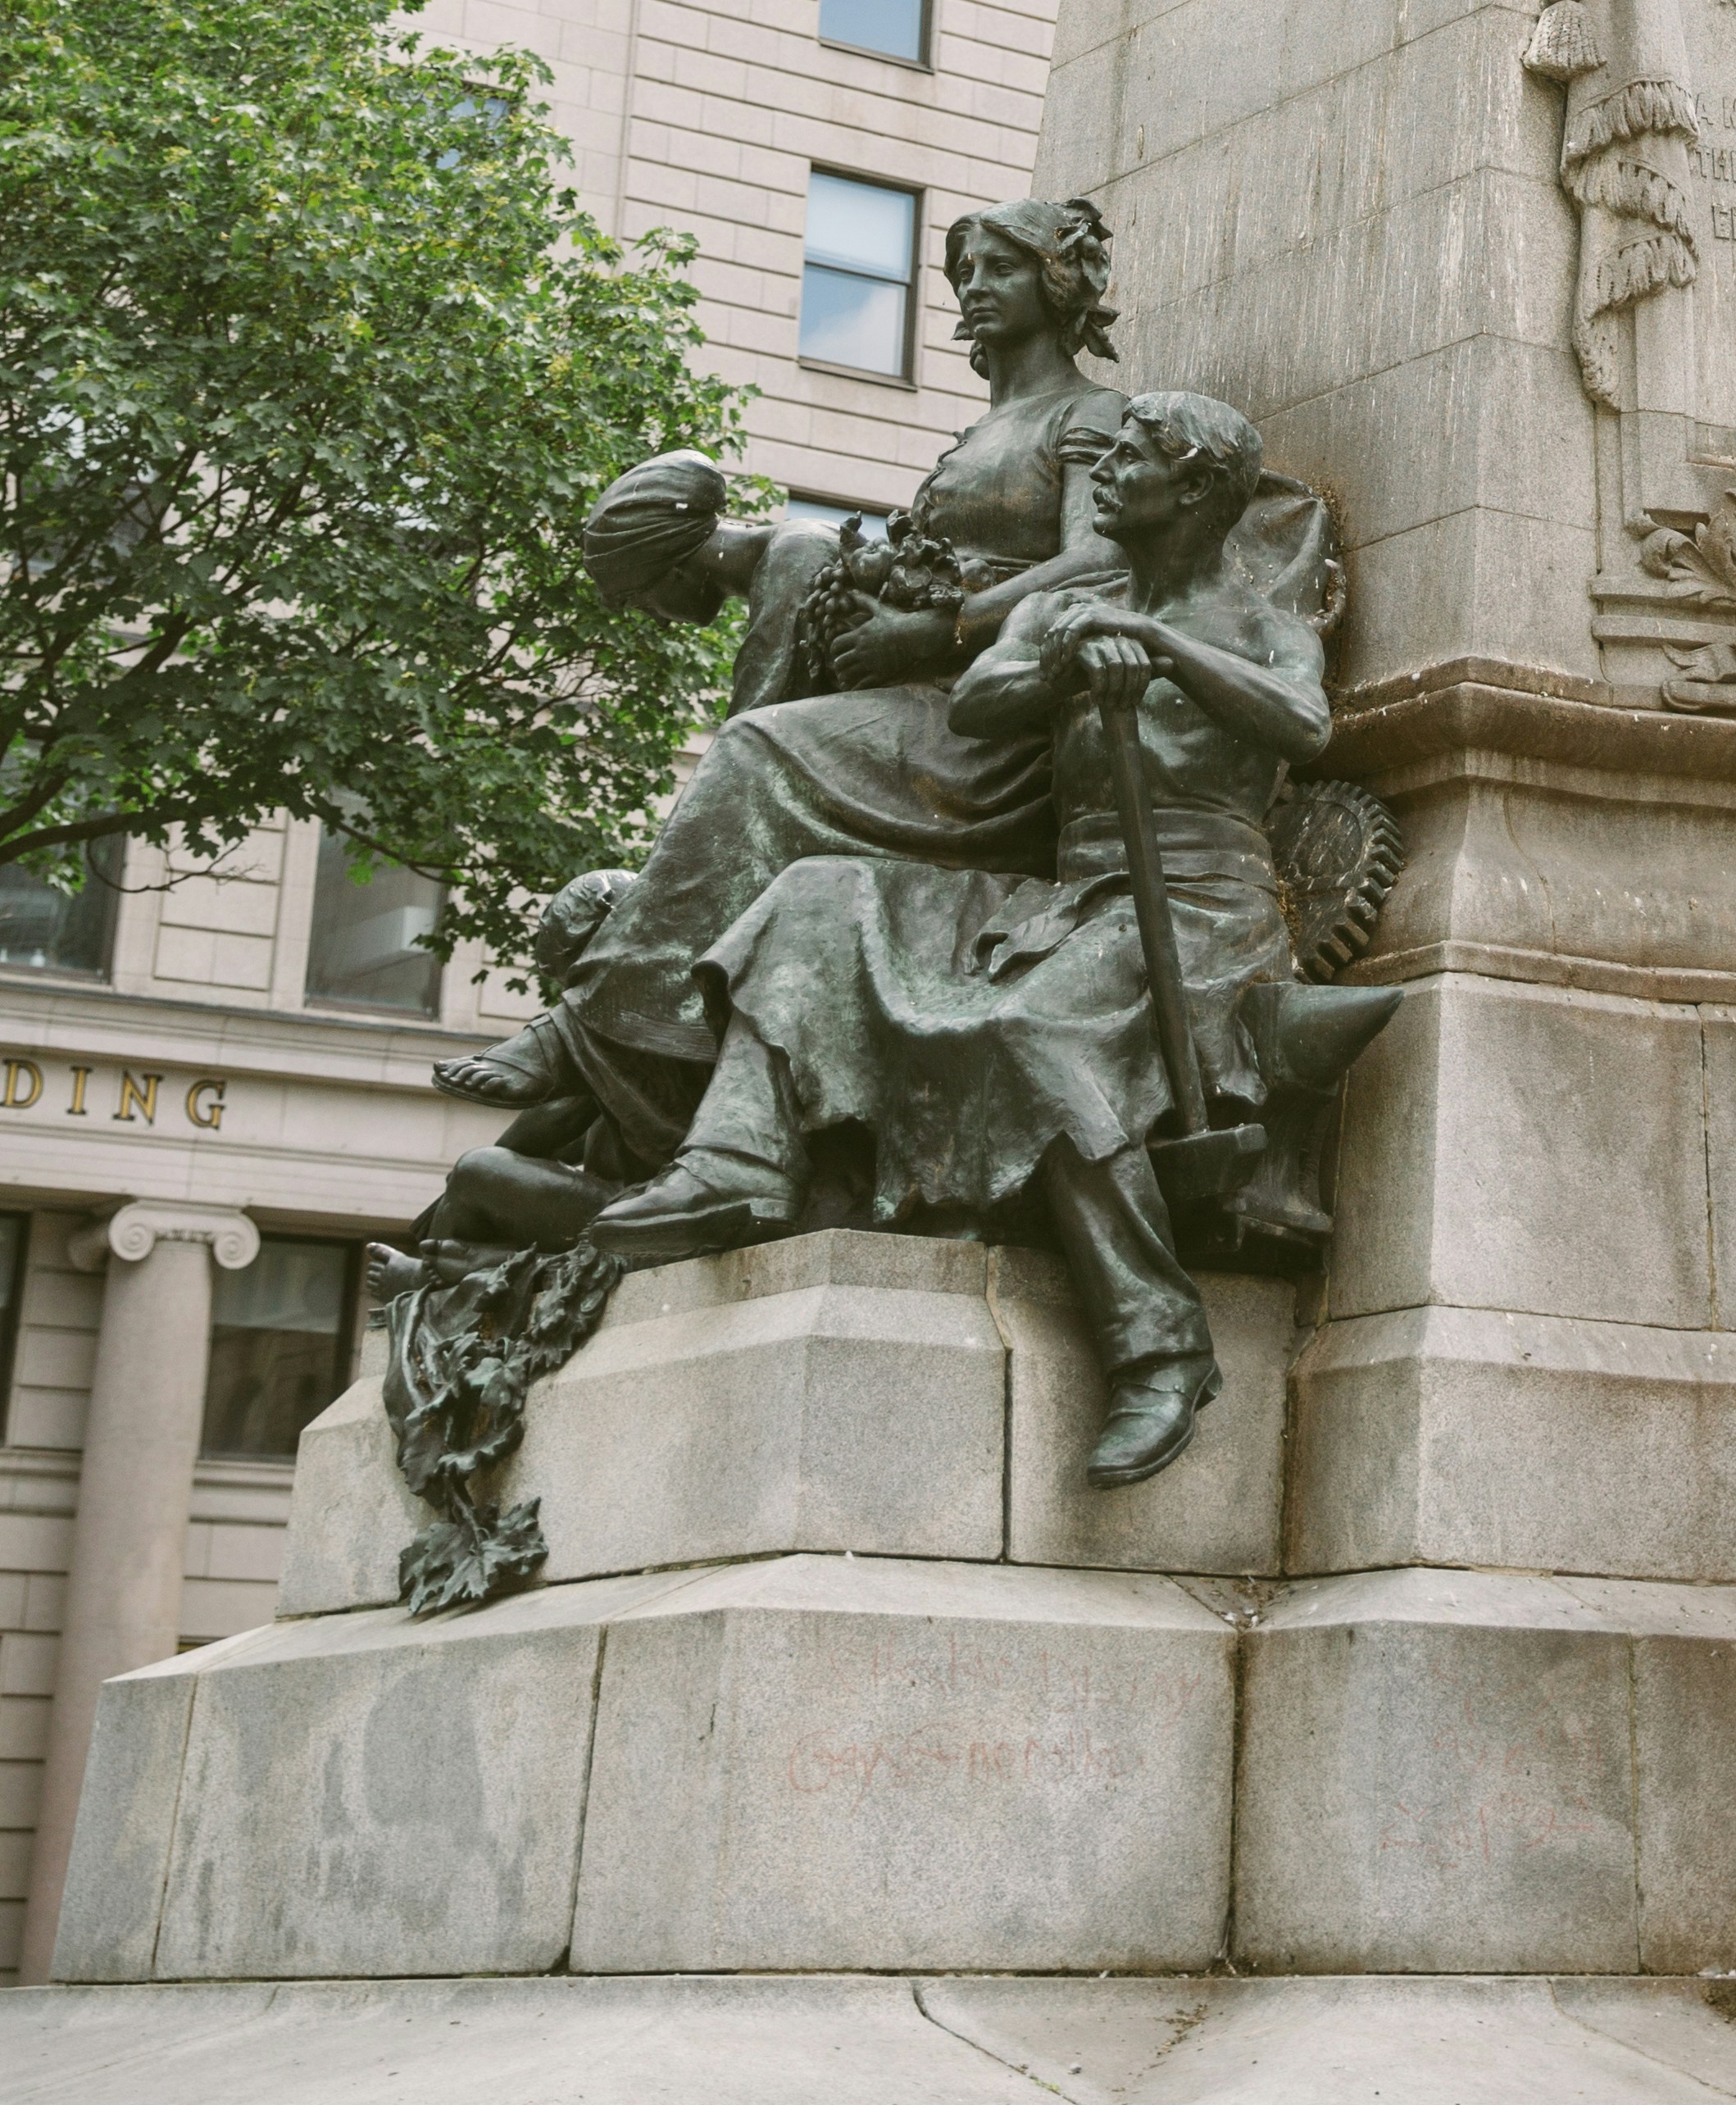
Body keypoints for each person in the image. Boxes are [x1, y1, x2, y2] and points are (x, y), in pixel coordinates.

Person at [589, 395, 1393, 1484]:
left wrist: (1158, 651)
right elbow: (983, 702)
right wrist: (1068, 661)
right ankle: (734, 1161)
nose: (1104, 471)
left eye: (1134, 456)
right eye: (1103, 452)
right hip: (1071, 902)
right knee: (818, 898)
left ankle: (1160, 1345)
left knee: (1040, 1039)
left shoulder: (1252, 615)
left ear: (1196, 490)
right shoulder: (1079, 598)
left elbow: (1304, 722)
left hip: (1198, 912)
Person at [440, 196, 1127, 1161]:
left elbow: (1104, 565)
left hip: (992, 734)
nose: (972, 287)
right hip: (922, 710)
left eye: (999, 269)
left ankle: (586, 1034)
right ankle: (642, 1073)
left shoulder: (1092, 417)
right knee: (770, 690)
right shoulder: (977, 437)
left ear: (1058, 283)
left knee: (757, 747)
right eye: (963, 270)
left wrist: (934, 630)